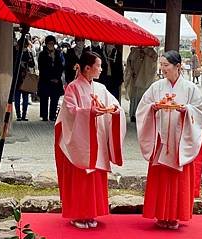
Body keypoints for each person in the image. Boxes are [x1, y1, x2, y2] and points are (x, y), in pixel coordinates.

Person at [136, 50, 202, 230]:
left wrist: (187, 110)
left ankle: (175, 216)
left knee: (177, 179)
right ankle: (161, 215)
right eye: (161, 65)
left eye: (166, 65)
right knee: (161, 177)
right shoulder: (157, 86)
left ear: (178, 66)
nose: (162, 68)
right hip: (162, 138)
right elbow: (142, 108)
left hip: (180, 139)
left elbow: (201, 111)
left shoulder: (190, 88)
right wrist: (153, 107)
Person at [55, 51, 126, 229]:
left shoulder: (100, 88)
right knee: (80, 178)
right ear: (87, 68)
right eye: (98, 66)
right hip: (79, 142)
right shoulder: (72, 87)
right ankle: (78, 214)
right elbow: (70, 112)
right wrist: (89, 113)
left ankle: (91, 213)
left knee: (94, 177)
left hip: (96, 138)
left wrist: (115, 110)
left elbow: (114, 104)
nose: (101, 69)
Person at [124, 46, 158, 122]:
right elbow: (129, 64)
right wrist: (131, 72)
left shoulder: (152, 53)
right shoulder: (134, 51)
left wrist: (146, 56)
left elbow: (153, 65)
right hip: (135, 78)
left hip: (146, 79)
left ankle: (143, 114)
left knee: (144, 97)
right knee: (134, 97)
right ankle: (133, 114)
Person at [38, 35, 64, 121]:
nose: (51, 45)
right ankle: (44, 116)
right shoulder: (42, 54)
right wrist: (49, 78)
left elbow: (61, 66)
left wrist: (57, 77)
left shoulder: (58, 53)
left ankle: (52, 115)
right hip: (45, 80)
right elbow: (41, 68)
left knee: (55, 99)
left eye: (52, 43)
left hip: (56, 80)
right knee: (44, 98)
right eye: (49, 43)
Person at [14, 37, 35, 121]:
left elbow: (32, 64)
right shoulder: (25, 53)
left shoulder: (17, 52)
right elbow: (32, 64)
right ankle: (21, 115)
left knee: (19, 97)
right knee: (22, 97)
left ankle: (20, 115)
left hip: (20, 77)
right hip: (23, 77)